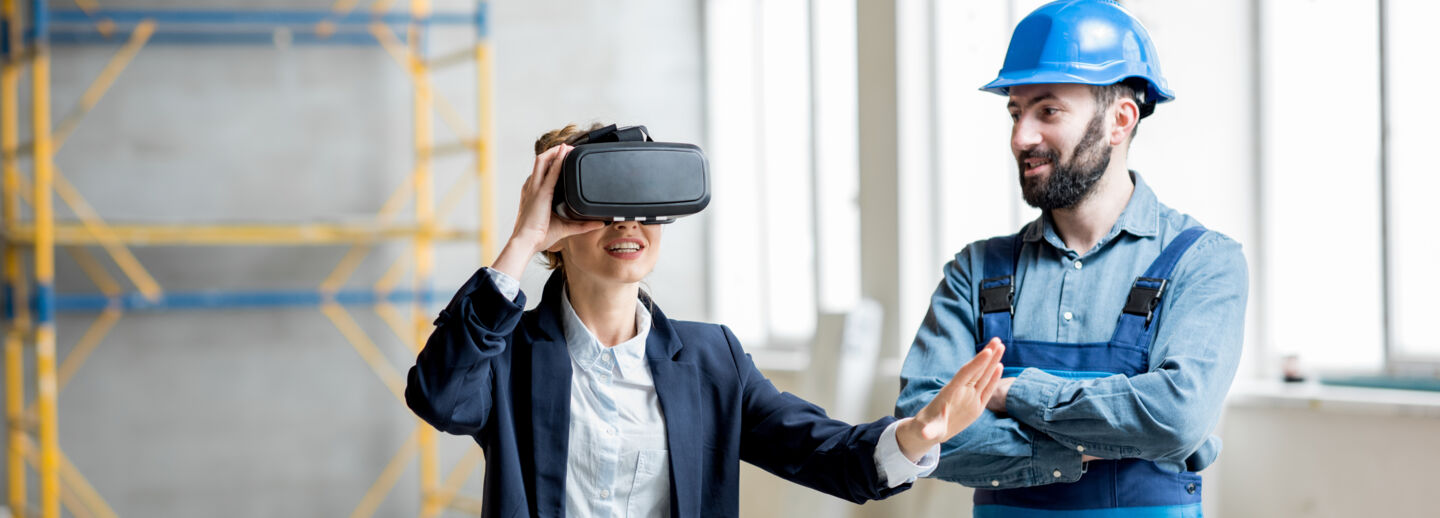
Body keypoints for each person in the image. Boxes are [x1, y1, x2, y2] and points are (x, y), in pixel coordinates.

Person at [407, 123, 1008, 518]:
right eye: (601, 207)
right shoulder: (506, 355)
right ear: (558, 233)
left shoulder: (711, 359)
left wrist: (920, 432)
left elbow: (825, 453)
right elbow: (439, 398)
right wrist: (524, 236)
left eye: (645, 208)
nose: (627, 225)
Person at [894, 1, 1248, 517]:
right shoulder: (975, 273)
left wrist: (1011, 393)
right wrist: (1093, 445)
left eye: (1048, 111)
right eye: (1015, 113)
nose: (1021, 137)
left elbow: (1176, 418)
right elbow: (922, 431)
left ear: (1119, 121)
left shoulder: (1203, 263)